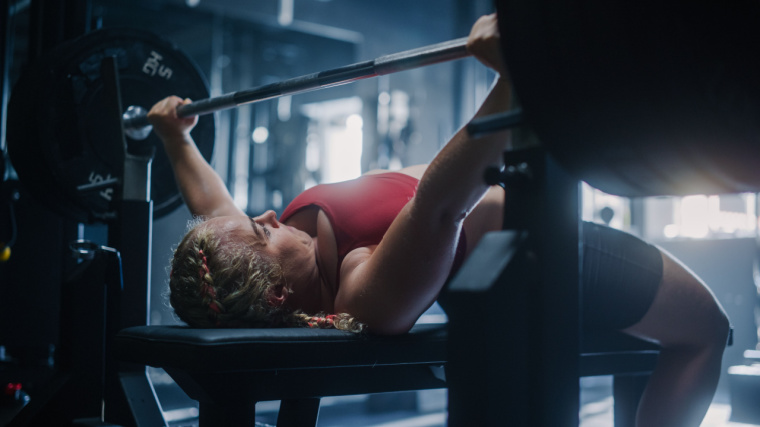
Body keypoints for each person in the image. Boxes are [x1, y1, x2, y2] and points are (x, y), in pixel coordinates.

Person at [148, 14, 730, 427]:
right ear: (275, 295)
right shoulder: (362, 290)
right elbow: (441, 203)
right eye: (260, 231)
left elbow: (215, 211)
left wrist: (175, 138)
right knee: (705, 330)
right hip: (545, 251)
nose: (268, 215)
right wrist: (515, 76)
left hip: (530, 230)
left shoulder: (266, 257)